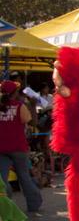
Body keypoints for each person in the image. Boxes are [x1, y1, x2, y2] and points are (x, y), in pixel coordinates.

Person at [0, 81, 42, 213]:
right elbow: (33, 122)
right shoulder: (20, 106)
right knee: (24, 177)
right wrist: (33, 105)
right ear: (15, 93)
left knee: (2, 179)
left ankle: (6, 205)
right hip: (18, 147)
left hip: (1, 148)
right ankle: (34, 205)